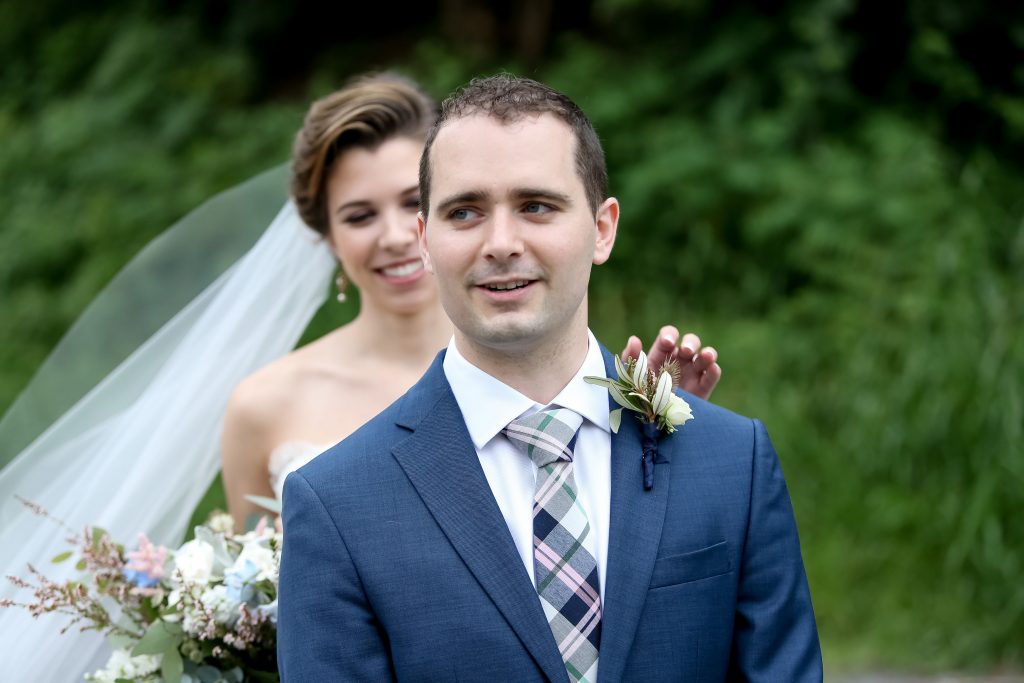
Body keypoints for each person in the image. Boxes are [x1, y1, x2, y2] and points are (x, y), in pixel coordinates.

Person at [277, 74, 821, 681]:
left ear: (603, 228)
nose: (501, 243)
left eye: (536, 205)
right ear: (427, 242)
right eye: (465, 211)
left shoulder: (734, 463)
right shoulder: (336, 503)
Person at [220, 73, 721, 531]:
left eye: (410, 203)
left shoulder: (565, 373)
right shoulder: (263, 405)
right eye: (359, 216)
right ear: (327, 237)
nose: (394, 236)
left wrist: (667, 444)